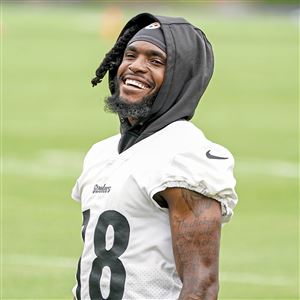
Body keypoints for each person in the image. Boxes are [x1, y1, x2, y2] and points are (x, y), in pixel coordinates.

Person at [71, 12, 238, 300]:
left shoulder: (184, 155)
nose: (135, 67)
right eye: (130, 55)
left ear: (179, 77)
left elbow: (201, 286)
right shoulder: (102, 152)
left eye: (155, 60)